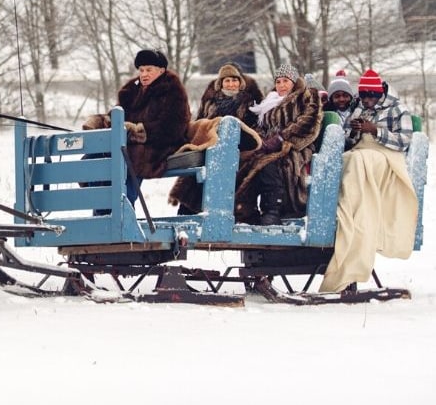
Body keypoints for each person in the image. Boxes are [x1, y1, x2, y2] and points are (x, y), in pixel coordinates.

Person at [320, 69, 419, 292]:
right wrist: (355, 131)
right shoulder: (360, 107)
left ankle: (356, 207)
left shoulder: (397, 109)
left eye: (369, 97)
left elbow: (404, 141)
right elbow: (350, 137)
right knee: (346, 159)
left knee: (357, 161)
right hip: (362, 151)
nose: (366, 101)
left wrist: (375, 130)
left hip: (386, 156)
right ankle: (345, 207)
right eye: (363, 97)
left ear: (378, 94)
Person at [233, 63, 322, 225]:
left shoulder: (305, 98)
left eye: (285, 81)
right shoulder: (270, 102)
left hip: (294, 148)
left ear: (293, 82)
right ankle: (246, 209)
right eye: (278, 82)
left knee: (268, 163)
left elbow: (308, 123)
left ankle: (273, 209)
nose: (281, 85)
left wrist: (281, 138)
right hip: (269, 147)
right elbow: (260, 127)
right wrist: (259, 141)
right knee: (246, 160)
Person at [168, 62, 262, 214]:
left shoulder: (250, 103)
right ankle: (188, 211)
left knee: (227, 168)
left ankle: (232, 212)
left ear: (240, 83)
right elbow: (200, 123)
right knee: (197, 172)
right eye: (227, 81)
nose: (231, 84)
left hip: (239, 148)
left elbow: (255, 129)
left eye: (234, 80)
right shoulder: (210, 102)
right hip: (210, 147)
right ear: (221, 83)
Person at [118, 49, 191, 182]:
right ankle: (98, 191)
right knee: (98, 155)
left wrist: (138, 132)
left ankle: (126, 194)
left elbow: (173, 127)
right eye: (141, 70)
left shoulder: (172, 89)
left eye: (149, 70)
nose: (144, 74)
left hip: (161, 146)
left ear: (161, 71)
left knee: (130, 157)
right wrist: (102, 121)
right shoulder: (132, 89)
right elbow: (118, 113)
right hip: (129, 142)